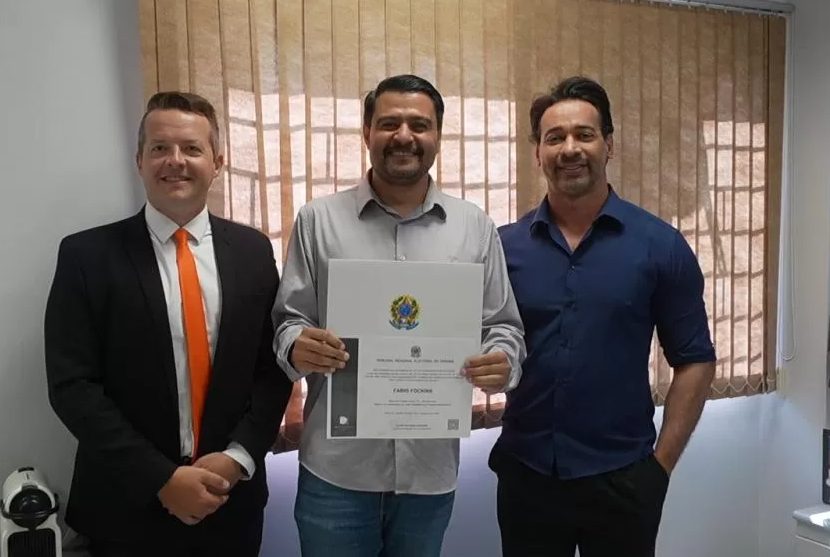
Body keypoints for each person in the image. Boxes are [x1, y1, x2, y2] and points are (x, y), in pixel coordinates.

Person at [271, 74, 527, 557]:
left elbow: (503, 326)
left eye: (419, 125)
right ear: (367, 133)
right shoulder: (318, 220)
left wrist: (502, 360)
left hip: (428, 475)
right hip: (337, 473)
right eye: (389, 123)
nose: (404, 136)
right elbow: (288, 322)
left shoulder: (474, 225)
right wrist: (297, 345)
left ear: (437, 136)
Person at [44, 91, 292, 556]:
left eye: (192, 149)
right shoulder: (86, 256)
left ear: (217, 162)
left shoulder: (254, 252)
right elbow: (73, 386)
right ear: (139, 160)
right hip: (123, 509)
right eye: (160, 148)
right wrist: (160, 478)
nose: (175, 161)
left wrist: (237, 459)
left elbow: (272, 368)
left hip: (228, 504)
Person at [489, 76, 717, 557]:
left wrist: (660, 467)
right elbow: (468, 337)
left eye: (584, 135)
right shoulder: (501, 248)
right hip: (527, 475)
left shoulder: (660, 246)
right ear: (537, 152)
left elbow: (695, 359)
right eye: (555, 138)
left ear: (608, 144)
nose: (570, 149)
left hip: (624, 481)